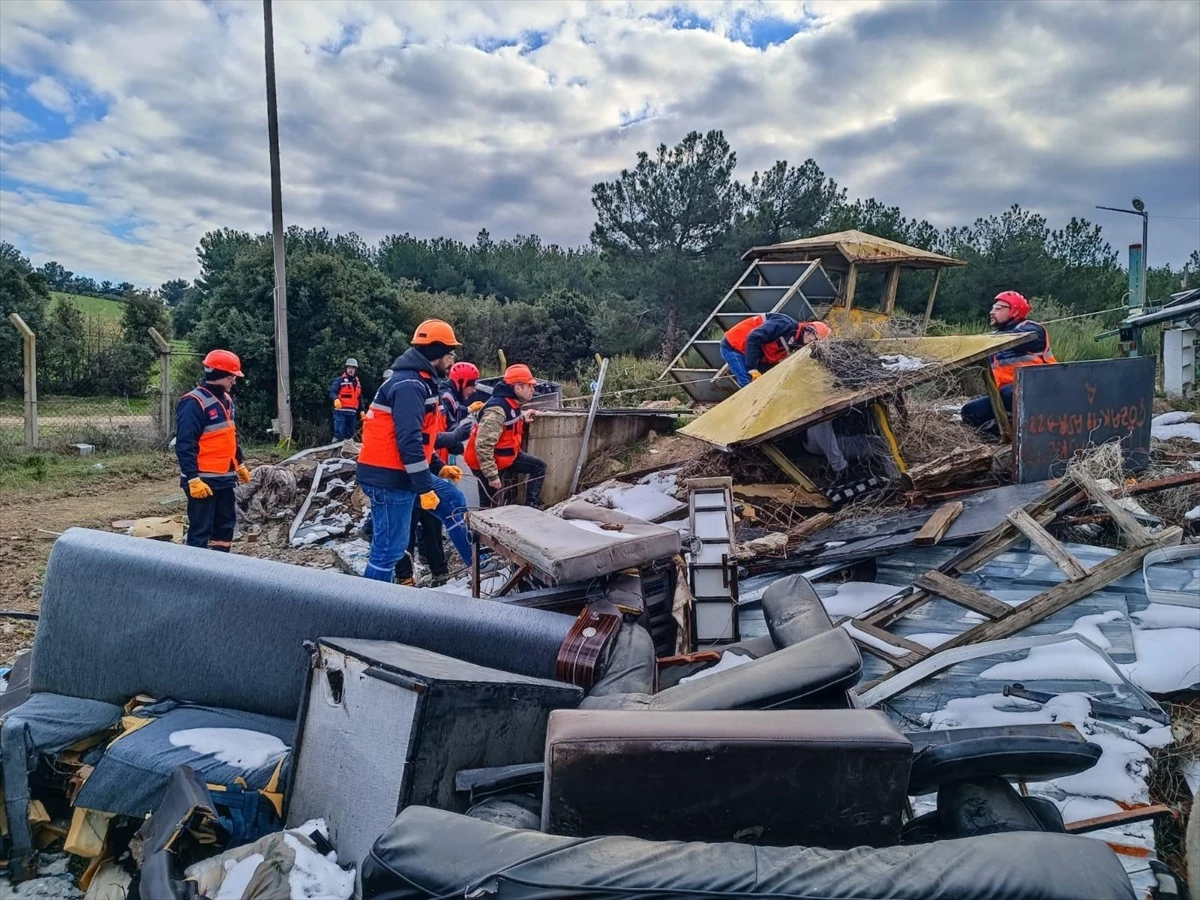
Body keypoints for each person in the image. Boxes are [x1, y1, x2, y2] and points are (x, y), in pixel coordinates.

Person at [356, 320, 474, 583]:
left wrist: (437, 467)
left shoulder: (420, 381)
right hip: (389, 477)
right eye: (450, 352)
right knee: (389, 550)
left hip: (400, 471)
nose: (453, 358)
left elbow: (420, 438)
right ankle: (369, 611)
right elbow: (407, 441)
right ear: (435, 351)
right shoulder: (409, 385)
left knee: (453, 500)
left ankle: (479, 565)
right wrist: (424, 488)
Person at [176, 349, 251, 551]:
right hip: (203, 480)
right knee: (201, 530)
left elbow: (229, 436)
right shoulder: (193, 402)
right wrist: (192, 479)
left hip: (224, 476)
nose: (234, 381)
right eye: (232, 377)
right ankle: (196, 574)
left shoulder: (225, 400)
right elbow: (185, 444)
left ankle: (220, 568)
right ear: (220, 376)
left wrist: (239, 462)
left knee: (225, 527)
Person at [961, 291, 1057, 436]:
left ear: (1015, 311)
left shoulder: (1032, 329)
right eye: (993, 308)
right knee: (970, 412)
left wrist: (983, 340)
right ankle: (1003, 432)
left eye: (998, 308)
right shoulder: (994, 337)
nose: (991, 312)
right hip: (1007, 393)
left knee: (1010, 392)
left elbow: (1020, 337)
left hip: (1043, 388)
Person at [464, 364, 548, 509]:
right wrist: (492, 475)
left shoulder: (511, 403)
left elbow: (507, 421)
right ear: (518, 387)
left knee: (539, 467)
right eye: (530, 386)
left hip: (506, 457)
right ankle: (480, 530)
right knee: (488, 506)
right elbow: (483, 445)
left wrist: (522, 417)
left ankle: (531, 506)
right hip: (484, 463)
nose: (533, 390)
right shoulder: (497, 410)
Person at [721, 314, 832, 387]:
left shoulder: (796, 341)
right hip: (734, 346)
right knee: (747, 384)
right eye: (813, 342)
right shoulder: (785, 325)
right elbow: (753, 337)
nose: (810, 345)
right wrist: (752, 368)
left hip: (756, 354)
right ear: (809, 332)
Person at [329, 358, 362, 441]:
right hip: (340, 411)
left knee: (350, 435)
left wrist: (362, 411)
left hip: (352, 413)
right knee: (339, 432)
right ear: (346, 369)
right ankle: (335, 448)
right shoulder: (340, 380)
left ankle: (347, 452)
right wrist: (335, 399)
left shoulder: (358, 383)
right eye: (349, 368)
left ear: (355, 370)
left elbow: (359, 398)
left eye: (353, 368)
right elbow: (333, 392)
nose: (351, 370)